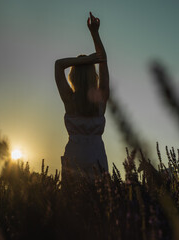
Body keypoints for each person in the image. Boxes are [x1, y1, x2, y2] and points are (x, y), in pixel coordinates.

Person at [54, 12, 109, 182]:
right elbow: (103, 60)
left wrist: (83, 62)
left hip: (74, 160)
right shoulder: (100, 100)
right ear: (94, 75)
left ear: (73, 76)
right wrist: (94, 33)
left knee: (72, 206)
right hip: (97, 159)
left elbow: (58, 64)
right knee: (99, 206)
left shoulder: (69, 100)